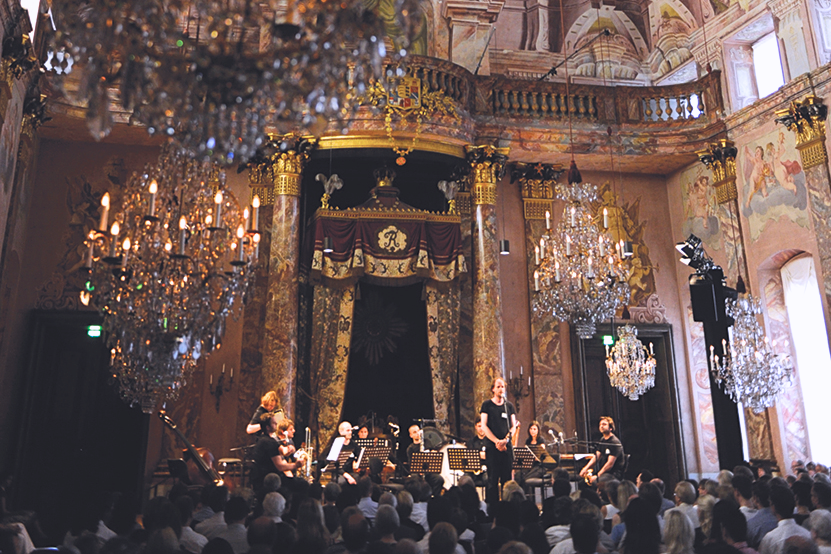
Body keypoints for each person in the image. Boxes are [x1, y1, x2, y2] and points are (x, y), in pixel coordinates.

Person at [480, 377, 518, 507]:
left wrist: (505, 440)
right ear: (493, 389)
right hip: (492, 448)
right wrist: (497, 442)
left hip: (506, 448)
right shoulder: (487, 405)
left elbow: (513, 426)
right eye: (498, 387)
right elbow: (484, 425)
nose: (501, 389)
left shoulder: (509, 406)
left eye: (503, 387)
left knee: (507, 480)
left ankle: (508, 508)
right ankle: (493, 509)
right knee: (493, 480)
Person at [579, 417, 625, 484]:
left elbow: (610, 464)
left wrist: (597, 476)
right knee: (582, 482)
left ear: (611, 428)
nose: (601, 426)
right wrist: (585, 468)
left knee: (594, 482)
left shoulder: (614, 442)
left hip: (613, 474)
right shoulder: (603, 440)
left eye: (604, 424)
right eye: (600, 424)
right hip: (605, 473)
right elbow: (596, 457)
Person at [406, 425, 444, 497]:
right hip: (417, 472)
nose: (418, 433)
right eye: (415, 432)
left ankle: (434, 497)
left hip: (428, 470)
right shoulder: (410, 448)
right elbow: (411, 464)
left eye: (418, 431)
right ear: (411, 435)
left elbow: (433, 453)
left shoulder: (427, 442)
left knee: (439, 479)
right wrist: (419, 470)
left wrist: (433, 453)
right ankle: (418, 498)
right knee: (415, 480)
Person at [320, 421, 361, 485]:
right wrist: (348, 476)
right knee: (342, 482)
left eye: (351, 430)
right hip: (338, 473)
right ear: (341, 432)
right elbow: (332, 464)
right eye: (348, 430)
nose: (350, 432)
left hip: (350, 472)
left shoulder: (353, 444)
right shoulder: (336, 444)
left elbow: (359, 456)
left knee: (359, 479)